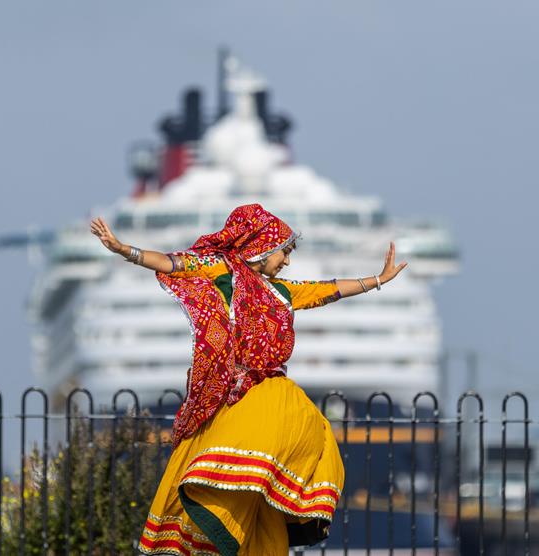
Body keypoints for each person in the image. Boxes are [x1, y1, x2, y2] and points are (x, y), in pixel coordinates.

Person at [90, 203, 408, 555]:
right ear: (264, 248)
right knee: (226, 476)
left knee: (309, 442)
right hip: (237, 397)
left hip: (271, 395)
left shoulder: (281, 291)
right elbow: (172, 263)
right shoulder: (222, 271)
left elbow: (327, 289)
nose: (287, 261)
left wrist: (378, 280)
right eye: (284, 252)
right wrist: (124, 251)